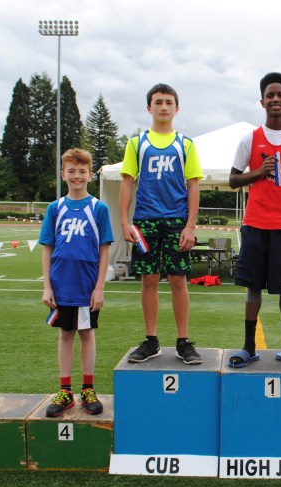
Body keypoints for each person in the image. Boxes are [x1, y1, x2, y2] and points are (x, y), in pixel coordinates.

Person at [228, 72, 281, 368]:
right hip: (255, 224)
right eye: (270, 95)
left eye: (280, 95)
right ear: (262, 102)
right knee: (253, 287)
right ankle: (248, 347)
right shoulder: (250, 139)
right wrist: (259, 172)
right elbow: (233, 180)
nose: (275, 99)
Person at [119, 83, 203, 365]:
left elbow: (193, 186)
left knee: (178, 279)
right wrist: (124, 222)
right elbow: (127, 183)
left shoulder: (186, 144)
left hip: (177, 221)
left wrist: (190, 226)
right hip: (145, 221)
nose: (163, 107)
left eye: (169, 102)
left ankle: (183, 341)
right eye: (158, 102)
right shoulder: (136, 143)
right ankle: (151, 341)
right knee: (149, 279)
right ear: (149, 108)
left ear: (177, 108)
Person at [40, 148, 114, 417]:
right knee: (65, 334)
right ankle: (65, 391)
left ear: (90, 175)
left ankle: (88, 389)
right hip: (61, 285)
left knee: (86, 333)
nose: (76, 176)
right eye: (71, 171)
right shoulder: (55, 208)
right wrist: (47, 286)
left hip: (86, 286)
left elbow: (104, 250)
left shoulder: (98, 208)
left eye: (82, 171)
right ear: (63, 174)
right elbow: (47, 248)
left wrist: (99, 287)